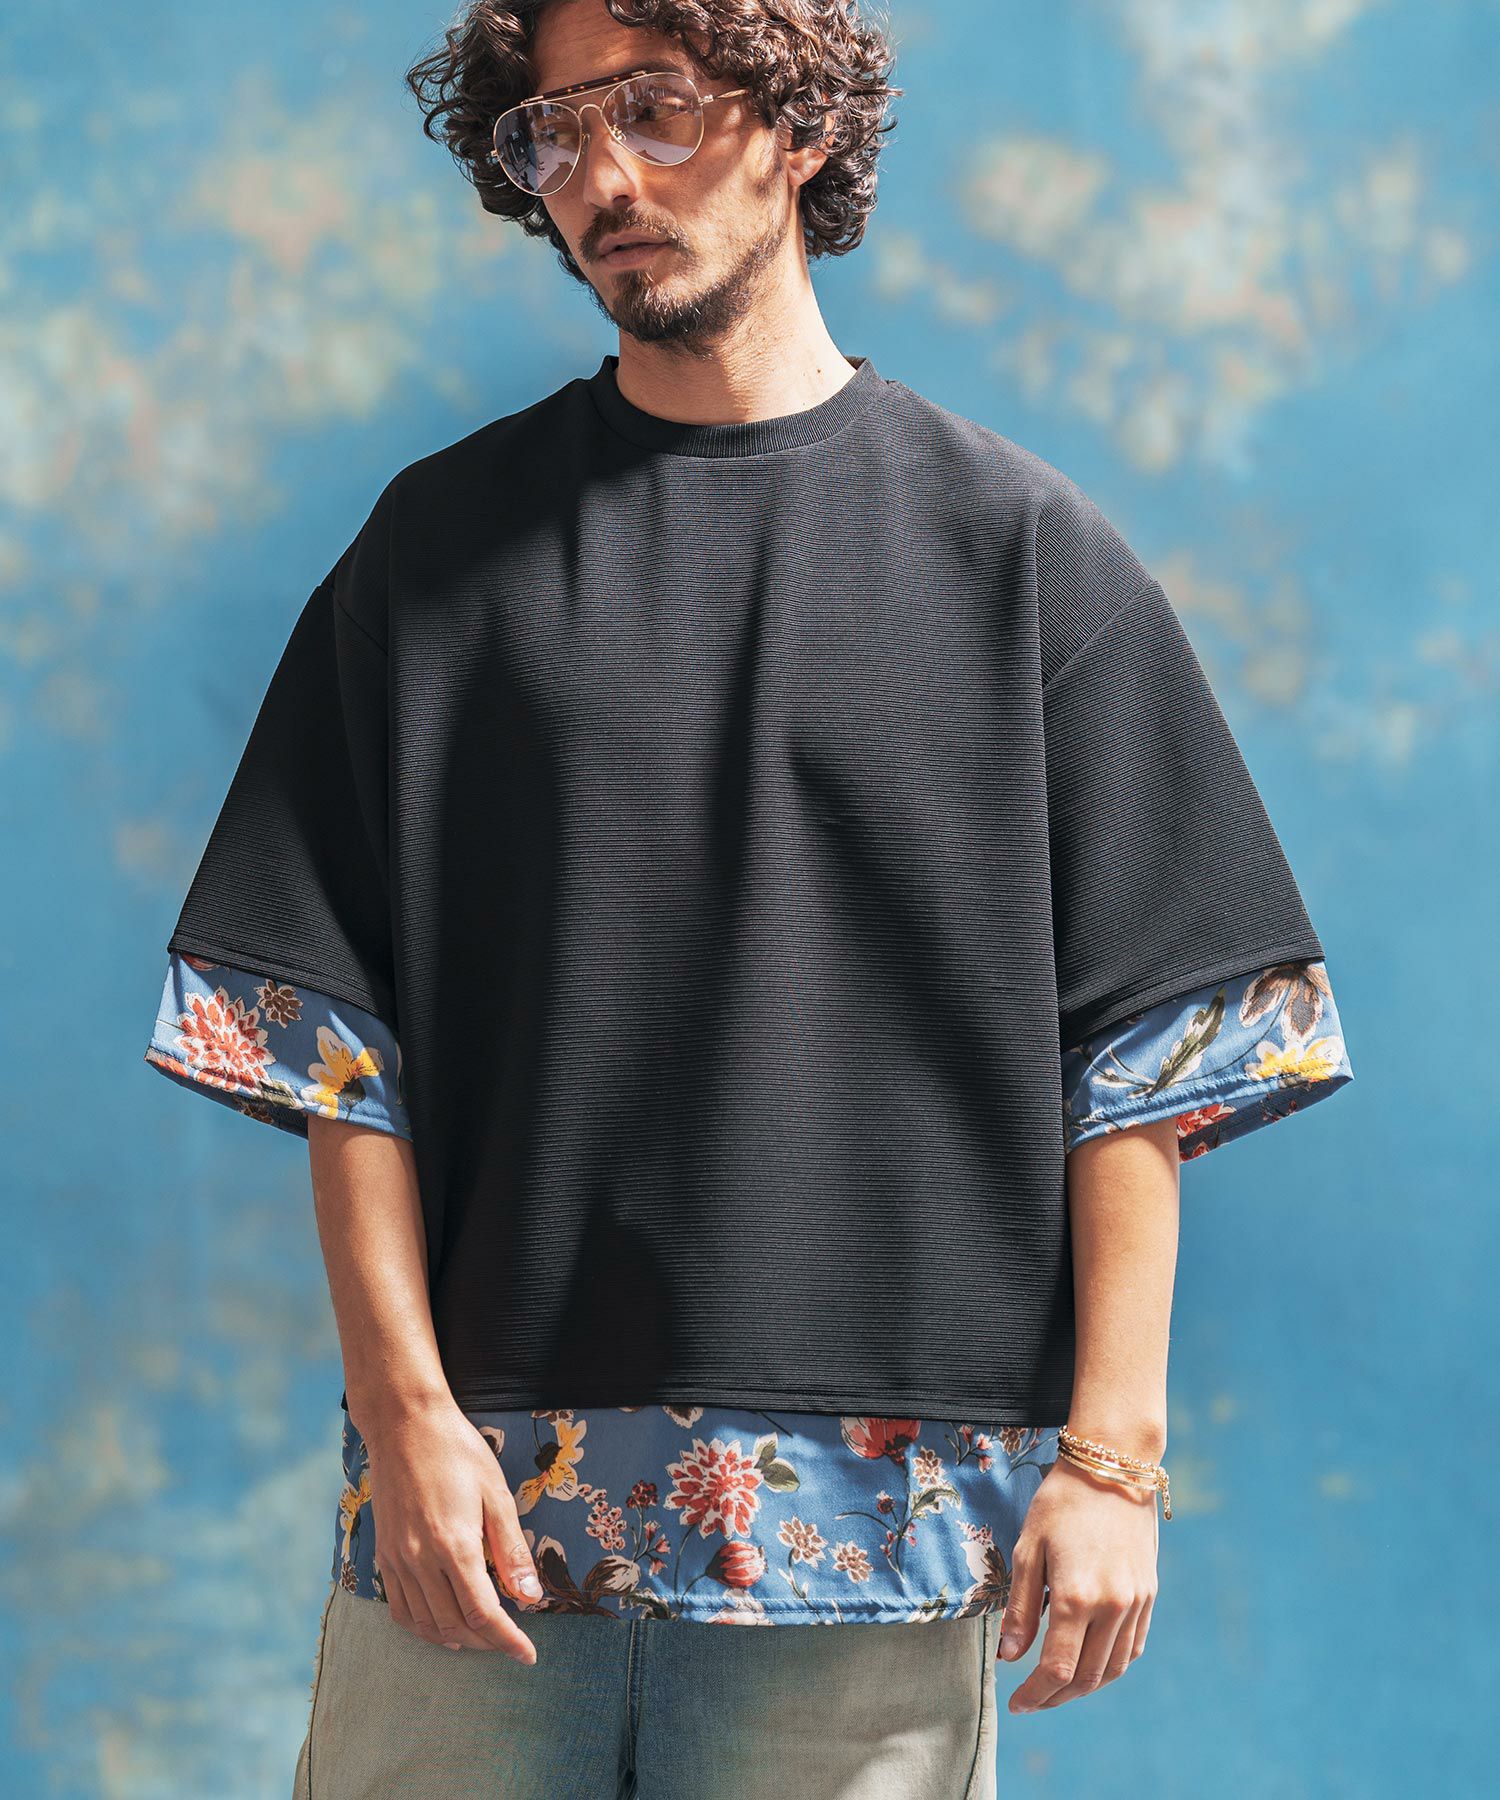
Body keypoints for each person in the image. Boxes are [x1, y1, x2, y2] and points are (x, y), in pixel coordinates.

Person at [143, 2, 1355, 1795]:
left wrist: (1115, 1457)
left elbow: (1148, 1052)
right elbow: (333, 1039)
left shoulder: (1024, 558)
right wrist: (401, 1422)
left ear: (799, 126)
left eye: (656, 109)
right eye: (555, 133)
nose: (604, 178)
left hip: (879, 1549)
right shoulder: (435, 559)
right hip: (485, 1525)